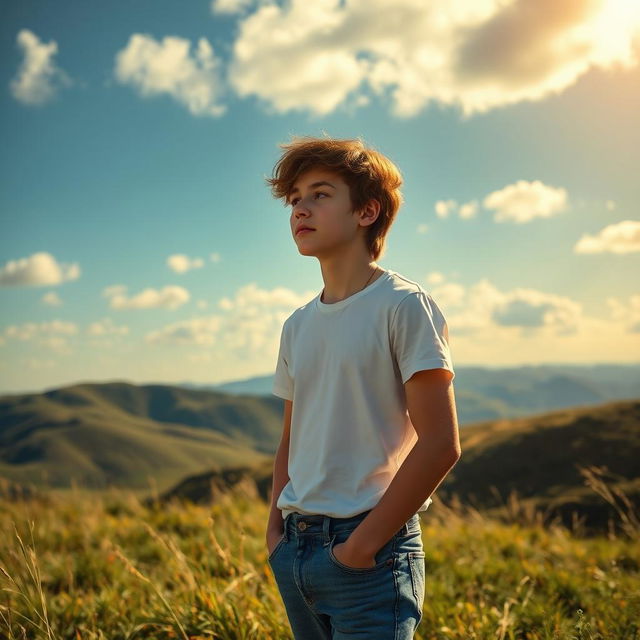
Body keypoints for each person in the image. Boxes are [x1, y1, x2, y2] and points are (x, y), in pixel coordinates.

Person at [264, 135, 461, 639]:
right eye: (295, 198)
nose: (300, 209)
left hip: (369, 553)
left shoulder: (403, 305)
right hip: (296, 546)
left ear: (366, 211)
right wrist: (274, 533)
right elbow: (292, 437)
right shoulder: (297, 324)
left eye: (320, 194)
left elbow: (441, 443)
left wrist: (362, 548)